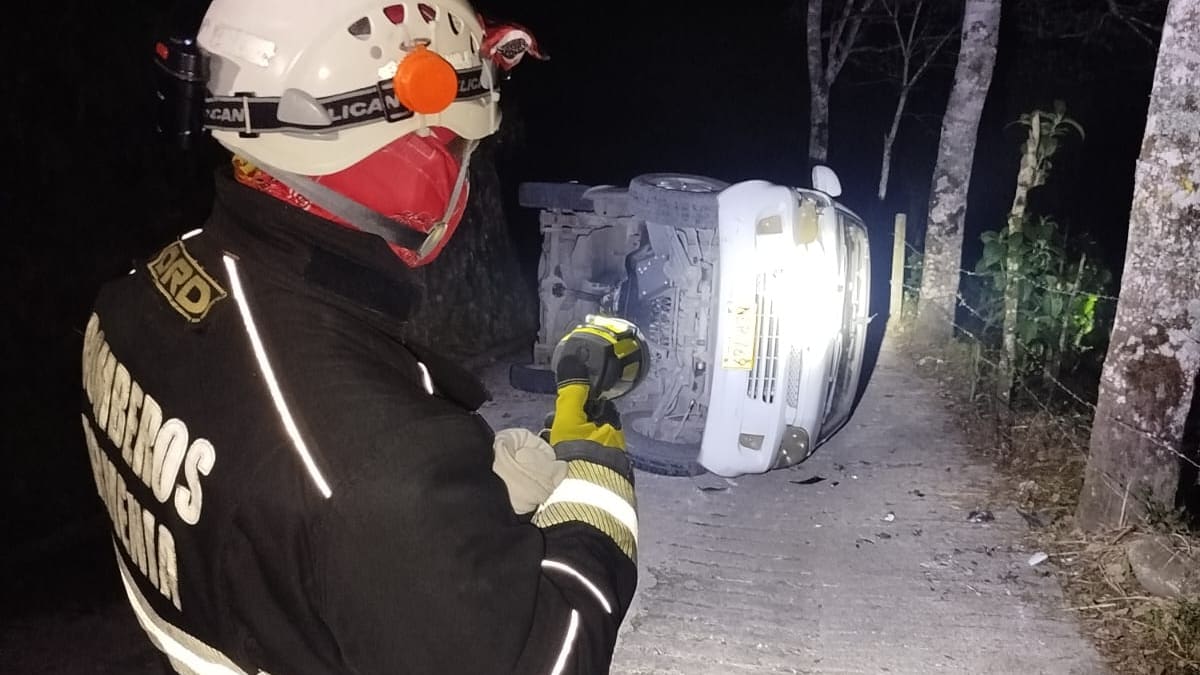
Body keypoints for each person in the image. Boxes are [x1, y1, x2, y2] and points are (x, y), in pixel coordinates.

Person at [78, 1, 639, 673]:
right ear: (414, 165)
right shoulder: (383, 471)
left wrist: (456, 519)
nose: (460, 165)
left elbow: (271, 529)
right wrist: (594, 473)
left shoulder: (127, 305)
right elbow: (550, 655)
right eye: (459, 143)